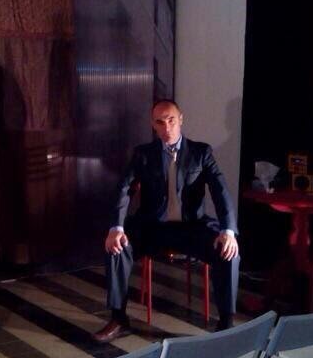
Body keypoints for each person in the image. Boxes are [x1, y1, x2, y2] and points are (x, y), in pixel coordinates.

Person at [93, 100, 240, 343]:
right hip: (153, 227)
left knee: (229, 251)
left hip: (192, 227)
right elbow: (124, 189)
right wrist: (116, 228)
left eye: (171, 120)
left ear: (181, 119)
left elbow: (220, 191)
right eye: (160, 122)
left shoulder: (201, 152)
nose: (167, 127)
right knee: (117, 247)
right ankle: (119, 318)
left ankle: (226, 322)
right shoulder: (143, 154)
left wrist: (228, 230)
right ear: (153, 125)